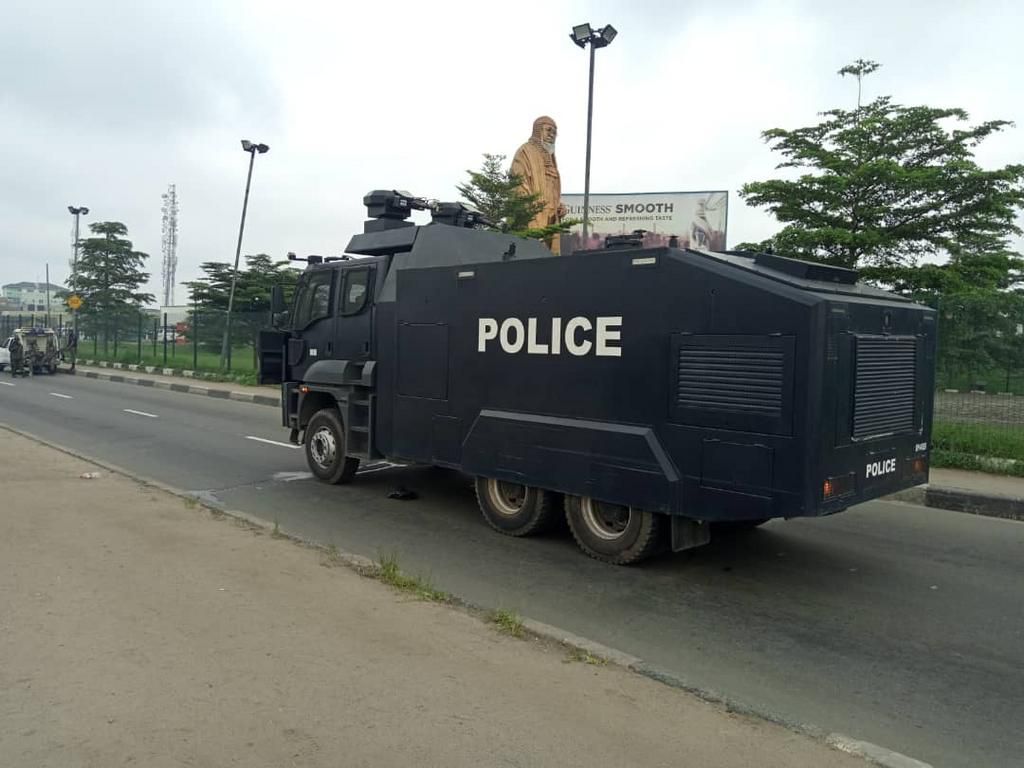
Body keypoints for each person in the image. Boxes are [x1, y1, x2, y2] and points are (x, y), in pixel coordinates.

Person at [510, 115, 566, 255]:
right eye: (548, 130)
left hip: (551, 216)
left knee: (549, 257)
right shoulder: (525, 152)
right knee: (532, 253)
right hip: (533, 213)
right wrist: (530, 207)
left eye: (554, 132)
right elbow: (518, 183)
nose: (552, 135)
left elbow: (552, 189)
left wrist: (559, 206)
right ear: (538, 130)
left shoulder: (552, 159)